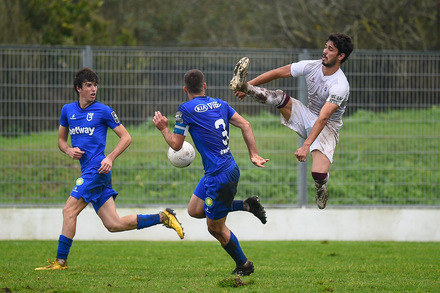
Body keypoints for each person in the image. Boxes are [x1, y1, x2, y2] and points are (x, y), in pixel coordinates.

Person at [35, 67, 184, 271]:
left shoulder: (104, 111)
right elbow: (61, 141)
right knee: (114, 224)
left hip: (97, 170)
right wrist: (69, 150)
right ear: (79, 88)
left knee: (68, 210)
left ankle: (60, 262)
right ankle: (163, 217)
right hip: (92, 173)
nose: (93, 89)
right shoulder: (67, 110)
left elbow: (126, 137)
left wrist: (110, 157)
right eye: (88, 85)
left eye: (95, 85)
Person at [153, 69, 269, 276]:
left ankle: (244, 265)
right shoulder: (220, 104)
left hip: (219, 176)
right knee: (195, 210)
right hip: (223, 170)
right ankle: (246, 205)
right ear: (204, 86)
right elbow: (246, 125)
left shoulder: (185, 110)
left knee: (215, 228)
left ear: (185, 89)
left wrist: (163, 128)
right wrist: (254, 154)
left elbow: (176, 145)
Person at [230, 33, 354, 209]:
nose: (324, 51)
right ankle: (245, 86)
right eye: (325, 46)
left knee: (318, 174)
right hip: (307, 116)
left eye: (330, 49)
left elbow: (324, 117)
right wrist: (248, 86)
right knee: (279, 97)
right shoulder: (311, 66)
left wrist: (306, 146)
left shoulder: (340, 85)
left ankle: (320, 187)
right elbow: (277, 73)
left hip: (327, 128)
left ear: (341, 56)